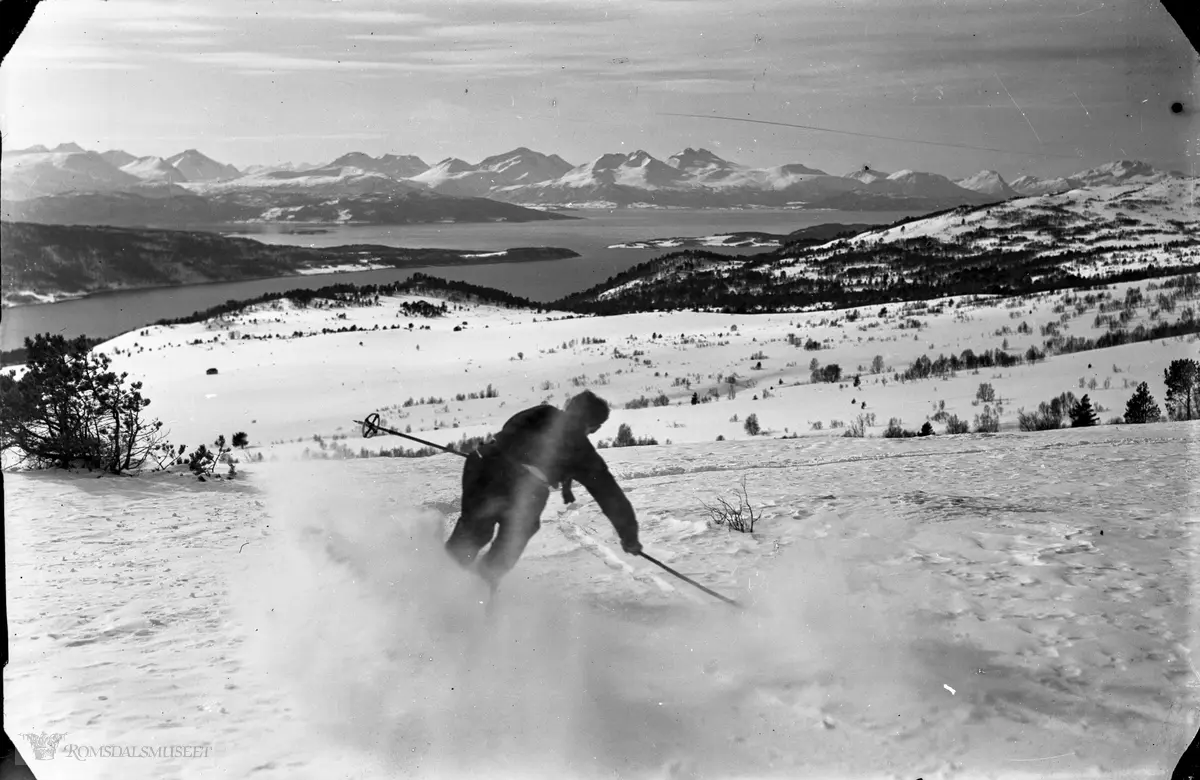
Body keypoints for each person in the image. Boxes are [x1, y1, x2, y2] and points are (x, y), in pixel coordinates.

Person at [444, 390, 642, 592]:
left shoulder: (541, 412)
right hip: (521, 487)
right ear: (594, 426)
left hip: (482, 462)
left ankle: (438, 579)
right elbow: (609, 495)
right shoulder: (583, 453)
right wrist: (629, 537)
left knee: (474, 532)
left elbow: (510, 432)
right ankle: (481, 586)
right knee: (514, 536)